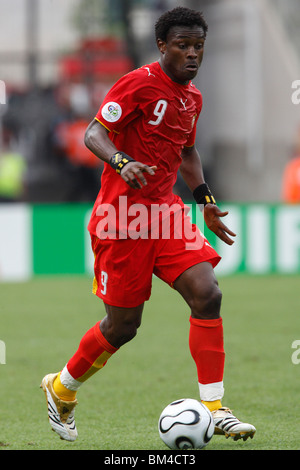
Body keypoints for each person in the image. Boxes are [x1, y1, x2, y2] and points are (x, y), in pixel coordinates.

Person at [41, 7, 256, 443]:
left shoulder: (192, 97)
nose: (192, 54)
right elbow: (94, 133)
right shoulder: (138, 83)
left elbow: (188, 153)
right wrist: (122, 161)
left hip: (166, 214)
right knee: (123, 328)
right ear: (162, 46)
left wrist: (206, 201)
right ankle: (62, 387)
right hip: (122, 219)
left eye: (198, 46)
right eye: (182, 45)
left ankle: (214, 408)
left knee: (207, 294)